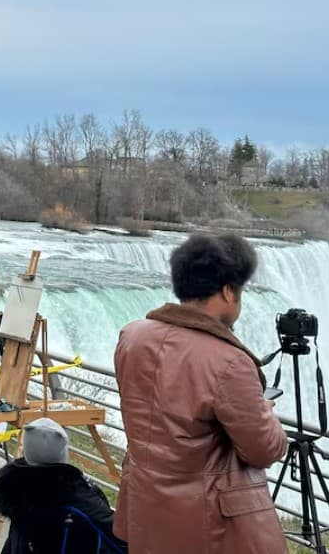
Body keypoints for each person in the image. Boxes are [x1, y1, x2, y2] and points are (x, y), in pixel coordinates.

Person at [113, 234, 289, 553]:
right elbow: (263, 450)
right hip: (206, 526)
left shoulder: (132, 336)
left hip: (146, 510)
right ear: (226, 292)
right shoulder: (229, 362)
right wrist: (264, 412)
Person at [0, 418, 127, 554]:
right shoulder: (78, 498)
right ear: (62, 453)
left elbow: (14, 542)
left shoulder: (15, 488)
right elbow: (119, 541)